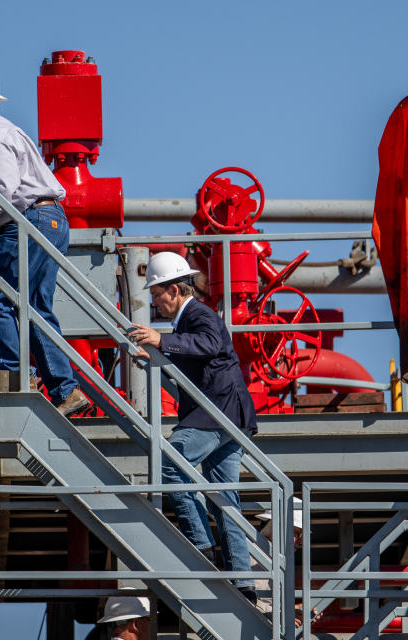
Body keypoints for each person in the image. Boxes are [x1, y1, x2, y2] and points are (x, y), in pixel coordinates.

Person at [0, 69, 88, 416]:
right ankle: (64, 389)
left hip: (28, 221)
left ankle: (13, 378)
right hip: (48, 220)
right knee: (35, 308)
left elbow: (0, 193)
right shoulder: (0, 131)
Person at [128, 251, 258, 601]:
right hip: (228, 414)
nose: (154, 301)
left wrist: (161, 341)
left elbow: (210, 344)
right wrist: (160, 353)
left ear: (174, 289)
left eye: (156, 294)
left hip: (215, 413)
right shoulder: (189, 321)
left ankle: (201, 546)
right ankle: (242, 583)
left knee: (170, 465)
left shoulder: (198, 314)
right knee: (225, 499)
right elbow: (202, 353)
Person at [254, 498, 320, 628]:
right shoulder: (255, 559)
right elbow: (248, 605)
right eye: (296, 533)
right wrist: (282, 616)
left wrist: (296, 610)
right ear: (275, 528)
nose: (300, 541)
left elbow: (266, 604)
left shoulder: (272, 559)